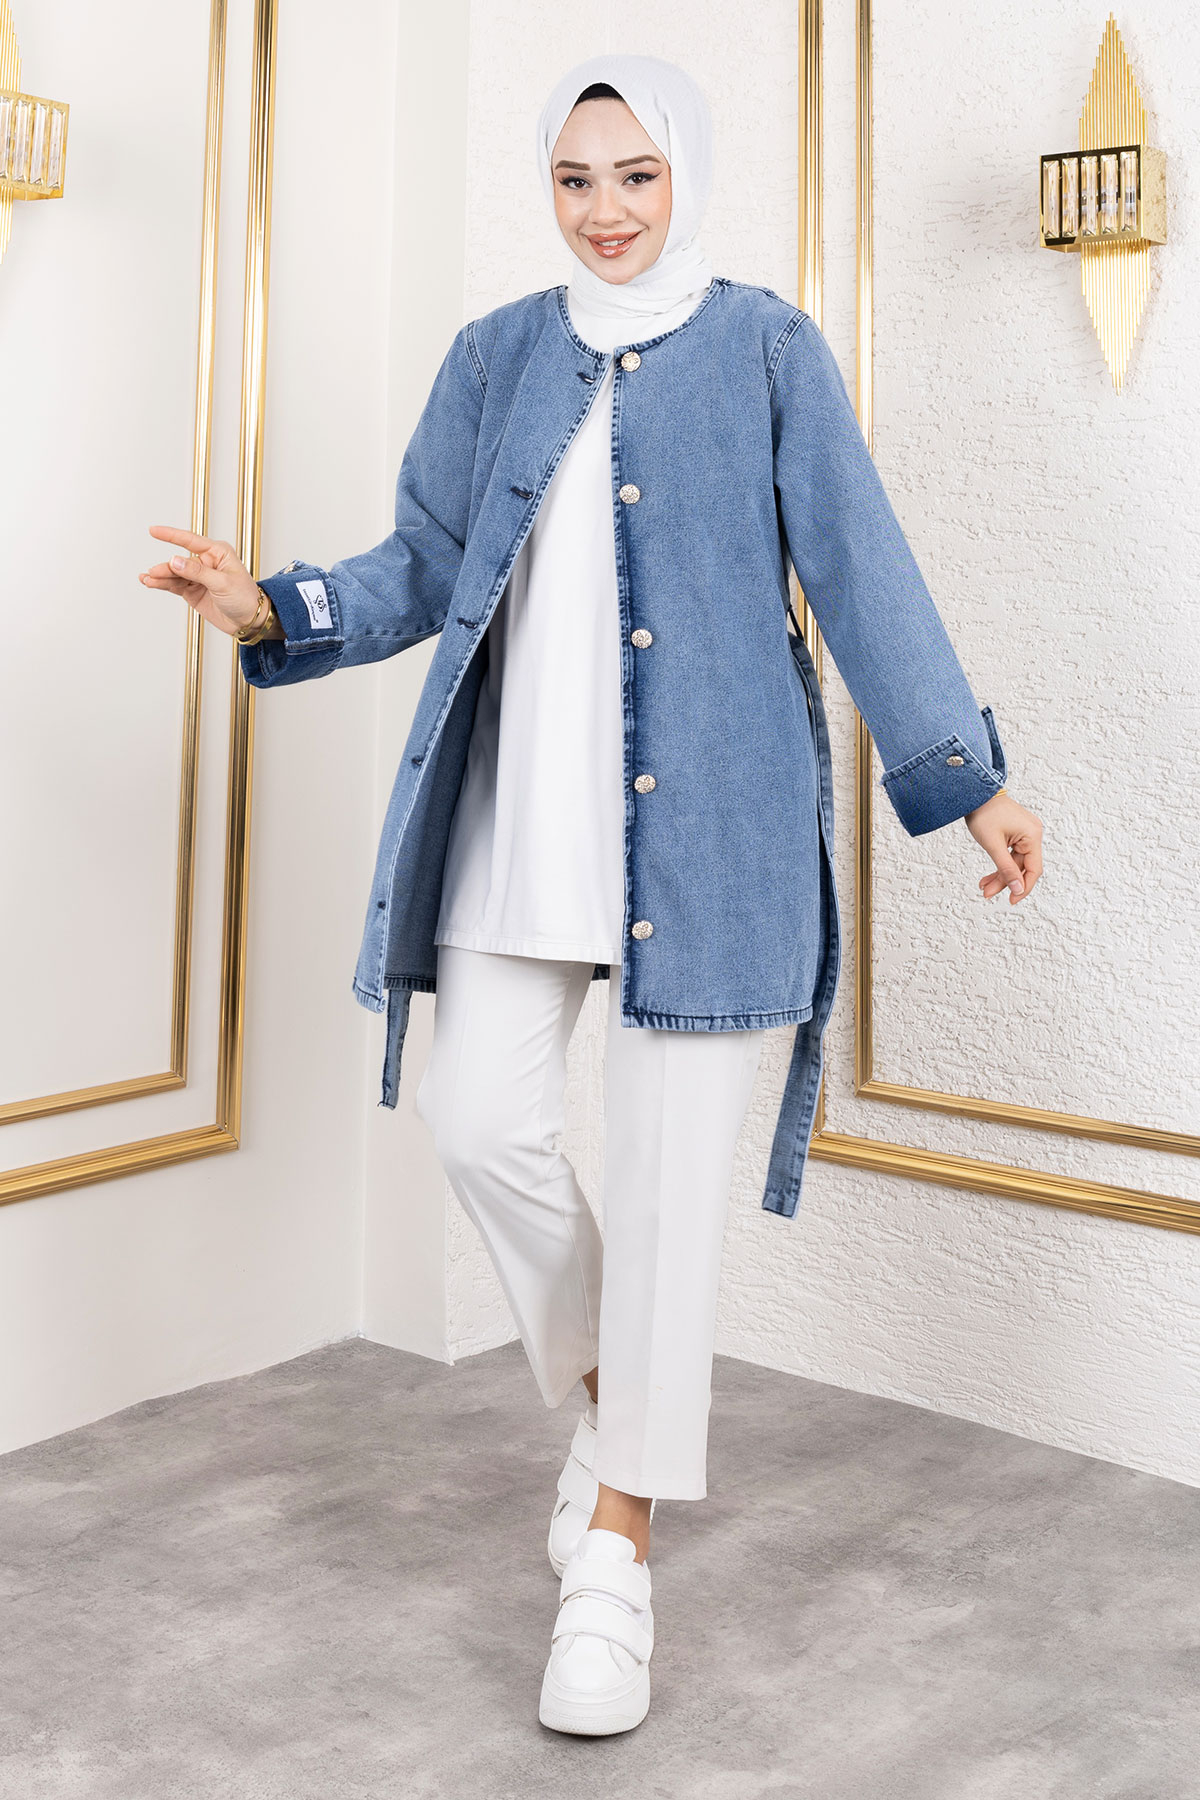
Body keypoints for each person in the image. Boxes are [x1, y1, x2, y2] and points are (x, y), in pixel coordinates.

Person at [139, 53, 1043, 1738]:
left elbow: (858, 563)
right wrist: (272, 606)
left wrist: (964, 777)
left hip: (713, 837)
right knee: (478, 1122)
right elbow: (423, 562)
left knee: (669, 1188)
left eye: (634, 175)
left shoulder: (767, 349)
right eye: (574, 179)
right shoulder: (495, 356)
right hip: (521, 822)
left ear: (684, 175)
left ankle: (615, 1554)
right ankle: (622, 1392)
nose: (605, 210)